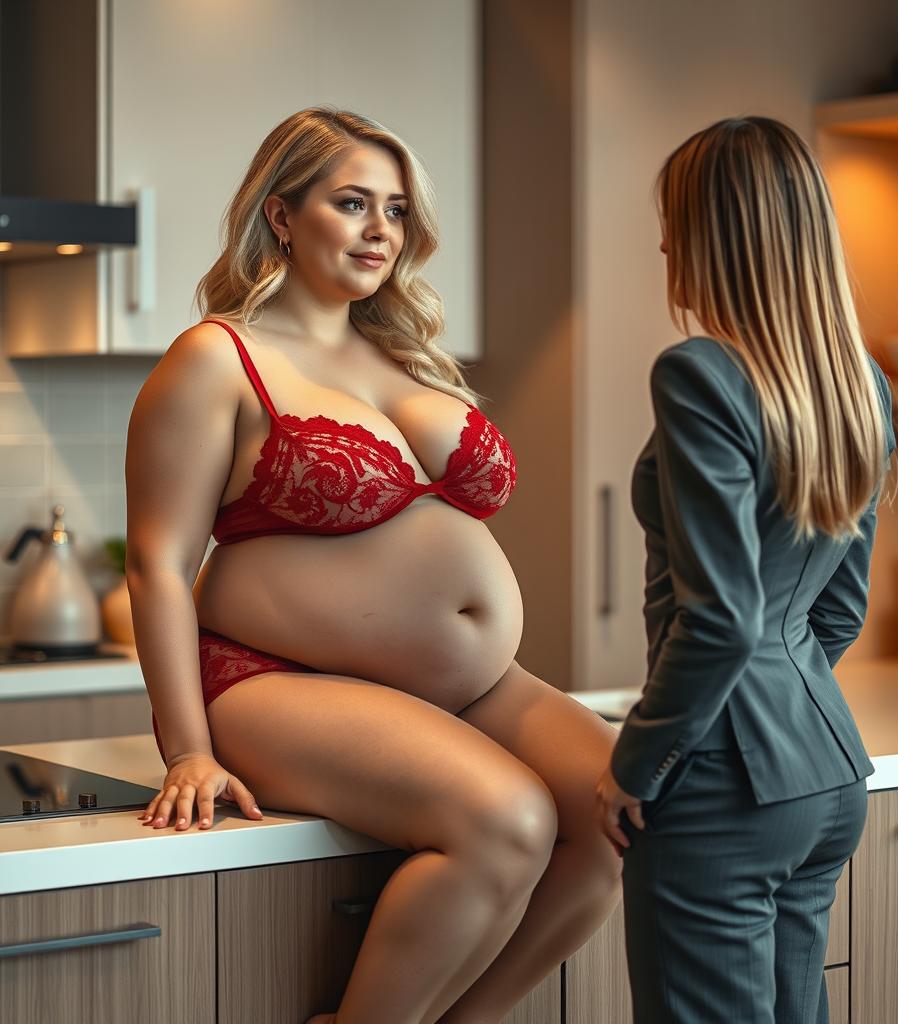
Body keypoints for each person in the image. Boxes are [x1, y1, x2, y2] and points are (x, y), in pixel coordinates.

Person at [125, 107, 620, 1024]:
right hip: (271, 680)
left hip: (466, 685)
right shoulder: (218, 358)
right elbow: (157, 564)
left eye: (394, 209)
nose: (380, 230)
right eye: (352, 203)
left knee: (618, 810)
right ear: (281, 214)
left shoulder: (401, 354)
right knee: (509, 820)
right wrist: (189, 749)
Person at [595, 116, 897, 1023]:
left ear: (714, 238)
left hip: (724, 790)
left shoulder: (699, 375)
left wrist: (635, 765)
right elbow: (839, 608)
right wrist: (778, 710)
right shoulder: (860, 381)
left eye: (674, 223)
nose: (661, 243)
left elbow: (722, 620)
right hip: (826, 775)